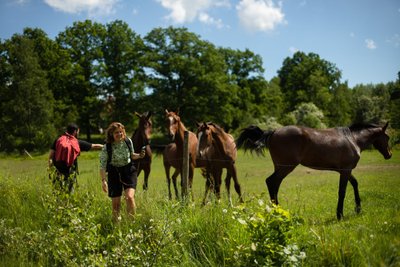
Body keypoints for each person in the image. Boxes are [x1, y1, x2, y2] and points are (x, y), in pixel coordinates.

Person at [99, 122, 145, 222]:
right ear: (111, 134)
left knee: (129, 197)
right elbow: (102, 165)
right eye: (116, 132)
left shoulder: (128, 141)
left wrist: (140, 155)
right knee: (116, 204)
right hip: (113, 173)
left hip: (128, 171)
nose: (119, 134)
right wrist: (103, 181)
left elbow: (132, 155)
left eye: (121, 132)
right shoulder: (107, 147)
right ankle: (117, 225)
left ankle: (132, 223)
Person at [48, 123, 103, 193]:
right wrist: (106, 146)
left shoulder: (58, 140)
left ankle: (58, 204)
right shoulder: (76, 142)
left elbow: (50, 156)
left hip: (57, 171)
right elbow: (94, 146)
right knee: (70, 192)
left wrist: (50, 170)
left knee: (57, 192)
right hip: (70, 172)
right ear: (75, 132)